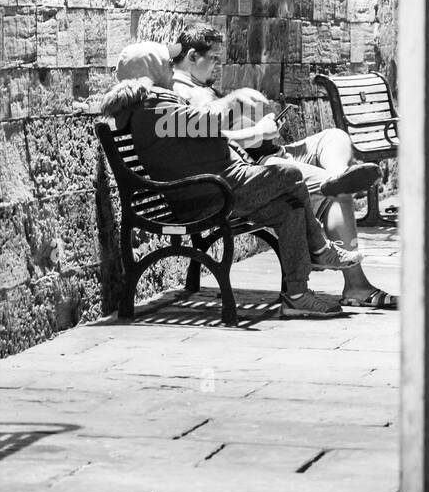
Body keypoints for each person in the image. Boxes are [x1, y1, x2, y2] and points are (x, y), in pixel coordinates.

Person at [99, 41, 359, 318]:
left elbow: (198, 131)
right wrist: (234, 101)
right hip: (208, 193)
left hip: (217, 185)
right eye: (165, 63)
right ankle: (319, 247)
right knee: (290, 174)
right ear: (150, 70)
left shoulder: (155, 103)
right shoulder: (151, 110)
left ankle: (297, 296)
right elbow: (205, 123)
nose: (172, 68)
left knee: (289, 209)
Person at [169, 22, 397, 310]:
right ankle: (356, 284)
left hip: (269, 153)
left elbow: (219, 130)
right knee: (333, 192)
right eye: (213, 58)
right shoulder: (180, 93)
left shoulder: (200, 87)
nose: (217, 65)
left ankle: (338, 177)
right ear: (191, 56)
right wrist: (255, 131)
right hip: (256, 167)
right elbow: (207, 136)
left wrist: (261, 127)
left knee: (334, 137)